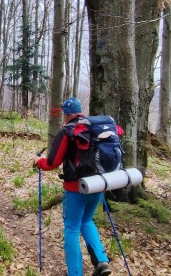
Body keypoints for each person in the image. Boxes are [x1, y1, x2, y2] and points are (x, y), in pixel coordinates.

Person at [33, 97, 112, 276]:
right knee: (86, 221)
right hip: (98, 185)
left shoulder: (68, 131)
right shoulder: (94, 129)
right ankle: (101, 261)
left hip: (76, 188)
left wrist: (39, 162)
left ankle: (75, 272)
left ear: (67, 114)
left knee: (71, 227)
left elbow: (52, 162)